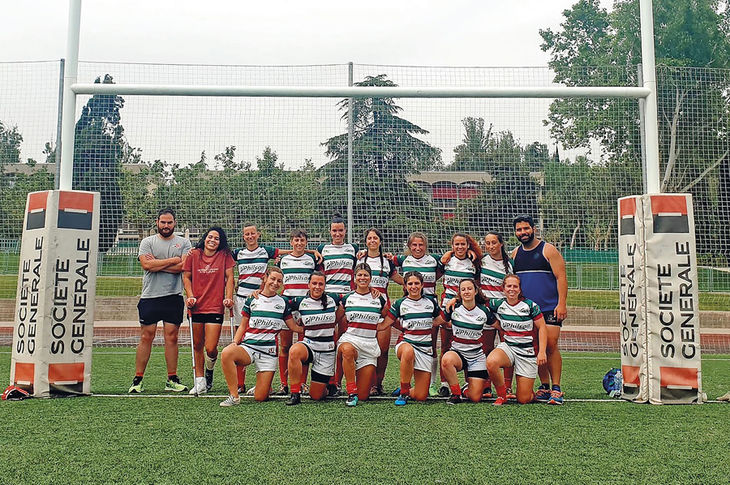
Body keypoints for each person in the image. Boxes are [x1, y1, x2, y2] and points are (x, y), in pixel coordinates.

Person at [219, 267, 304, 406]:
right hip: (249, 347)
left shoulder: (283, 303)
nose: (275, 283)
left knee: (260, 397)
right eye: (272, 279)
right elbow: (243, 325)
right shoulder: (252, 299)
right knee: (227, 353)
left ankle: (262, 386)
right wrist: (235, 342)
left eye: (279, 281)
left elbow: (293, 327)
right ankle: (234, 396)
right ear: (265, 278)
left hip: (268, 353)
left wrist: (312, 329)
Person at [128, 208, 192, 393]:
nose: (166, 225)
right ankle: (138, 380)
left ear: (175, 223)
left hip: (173, 296)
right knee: (146, 337)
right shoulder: (147, 242)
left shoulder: (184, 242)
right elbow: (146, 265)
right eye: (163, 222)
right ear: (157, 222)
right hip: (150, 296)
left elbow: (183, 266)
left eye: (169, 222)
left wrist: (158, 264)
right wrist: (172, 260)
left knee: (171, 337)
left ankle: (172, 379)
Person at [511, 214, 568, 405]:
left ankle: (557, 388)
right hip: (528, 311)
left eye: (526, 228)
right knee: (538, 347)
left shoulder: (548, 250)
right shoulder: (515, 254)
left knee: (550, 345)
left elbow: (561, 277)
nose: (523, 232)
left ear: (533, 229)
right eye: (519, 230)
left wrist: (561, 304)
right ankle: (544, 386)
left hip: (549, 308)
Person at [182, 226, 235, 394]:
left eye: (217, 238)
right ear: (205, 238)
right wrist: (190, 295)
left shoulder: (224, 255)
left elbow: (230, 277)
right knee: (197, 345)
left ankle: (209, 370)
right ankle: (200, 381)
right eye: (210, 237)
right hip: (196, 306)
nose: (212, 240)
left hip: (215, 306)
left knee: (210, 348)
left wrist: (228, 297)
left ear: (220, 242)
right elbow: (186, 277)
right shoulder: (193, 254)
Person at [377, 271, 443, 405]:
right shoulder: (400, 304)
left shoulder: (430, 302)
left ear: (422, 285)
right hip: (406, 343)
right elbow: (385, 324)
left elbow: (440, 320)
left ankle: (405, 388)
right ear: (405, 286)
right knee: (408, 352)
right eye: (410, 284)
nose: (414, 286)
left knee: (421, 396)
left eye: (417, 283)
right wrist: (367, 326)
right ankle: (404, 392)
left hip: (425, 349)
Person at [391, 232, 444, 395]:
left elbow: (441, 271)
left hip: (429, 307)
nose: (417, 248)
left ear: (425, 246)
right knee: (410, 342)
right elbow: (389, 267)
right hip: (410, 306)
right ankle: (405, 386)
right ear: (409, 246)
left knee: (432, 345)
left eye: (421, 245)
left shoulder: (434, 259)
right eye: (414, 245)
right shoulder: (402, 260)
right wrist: (404, 284)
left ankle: (432, 384)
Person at [486, 274, 547, 405]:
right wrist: (455, 300)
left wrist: (542, 352)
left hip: (526, 352)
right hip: (508, 347)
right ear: (503, 288)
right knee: (491, 362)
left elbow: (542, 327)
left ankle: (531, 393)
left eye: (515, 286)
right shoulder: (498, 304)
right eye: (508, 286)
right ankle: (503, 395)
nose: (511, 289)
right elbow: (476, 300)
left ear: (520, 289)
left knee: (523, 399)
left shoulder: (530, 306)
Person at [285, 271, 345, 405]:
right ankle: (295, 393)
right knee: (294, 351)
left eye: (320, 284)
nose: (317, 287)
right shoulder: (300, 301)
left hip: (326, 351)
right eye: (314, 283)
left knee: (317, 396)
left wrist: (371, 290)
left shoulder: (333, 299)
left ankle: (327, 385)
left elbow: (352, 296)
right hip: (309, 345)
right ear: (308, 285)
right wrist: (295, 327)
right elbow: (279, 303)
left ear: (325, 286)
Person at [357, 228, 403, 396]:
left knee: (382, 350)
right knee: (363, 347)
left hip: (383, 310)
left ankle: (378, 383)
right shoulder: (360, 259)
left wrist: (416, 283)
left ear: (380, 241)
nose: (372, 241)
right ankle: (364, 383)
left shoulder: (387, 262)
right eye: (369, 238)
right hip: (363, 309)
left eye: (375, 238)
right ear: (366, 242)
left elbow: (399, 280)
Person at [316, 213, 359, 395]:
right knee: (328, 339)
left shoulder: (353, 249)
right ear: (330, 231)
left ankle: (338, 382)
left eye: (340, 230)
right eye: (334, 231)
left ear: (345, 231)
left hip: (347, 297)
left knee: (343, 340)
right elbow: (317, 268)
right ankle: (329, 380)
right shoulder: (323, 249)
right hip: (329, 297)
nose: (337, 234)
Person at [336, 263, 389, 406]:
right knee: (347, 350)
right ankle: (351, 392)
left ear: (370, 278)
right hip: (351, 339)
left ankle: (358, 391)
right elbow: (335, 319)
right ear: (354, 278)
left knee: (364, 396)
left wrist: (405, 327)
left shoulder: (378, 298)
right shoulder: (347, 298)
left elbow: (389, 317)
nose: (362, 277)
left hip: (369, 345)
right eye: (359, 275)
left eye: (366, 275)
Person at [437, 233, 482, 397]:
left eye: (463, 244)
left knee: (469, 344)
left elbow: (477, 283)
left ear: (468, 245)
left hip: (467, 308)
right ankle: (444, 384)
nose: (460, 247)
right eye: (457, 244)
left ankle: (466, 383)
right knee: (446, 345)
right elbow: (435, 273)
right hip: (448, 307)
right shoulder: (446, 260)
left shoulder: (474, 262)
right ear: (452, 246)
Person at [439, 278, 496, 404]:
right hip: (458, 353)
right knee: (447, 359)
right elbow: (437, 321)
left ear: (475, 291)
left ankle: (466, 388)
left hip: (476, 356)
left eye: (469, 289)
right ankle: (456, 394)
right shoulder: (454, 308)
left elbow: (499, 326)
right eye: (463, 289)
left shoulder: (484, 310)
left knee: (475, 398)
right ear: (459, 293)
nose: (466, 292)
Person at [276, 229, 318, 396]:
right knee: (285, 345)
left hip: (305, 306)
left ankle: (302, 383)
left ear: (306, 243)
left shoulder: (311, 260)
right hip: (287, 304)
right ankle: (283, 383)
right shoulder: (283, 261)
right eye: (296, 240)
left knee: (304, 346)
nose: (299, 243)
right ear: (291, 242)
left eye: (302, 241)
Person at [479, 231, 514, 399]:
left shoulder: (510, 264)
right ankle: (486, 386)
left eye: (494, 242)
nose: (491, 246)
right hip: (486, 311)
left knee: (508, 348)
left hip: (505, 311)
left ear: (501, 244)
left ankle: (507, 386)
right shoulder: (481, 262)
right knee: (486, 348)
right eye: (488, 243)